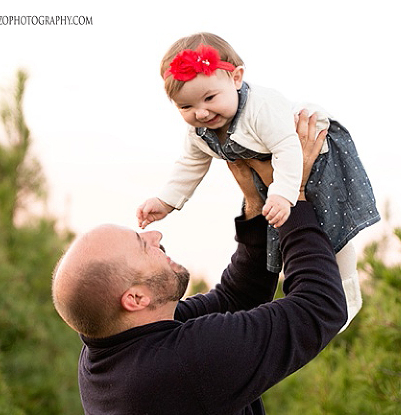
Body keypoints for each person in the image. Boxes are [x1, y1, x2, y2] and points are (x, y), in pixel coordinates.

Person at [51, 115, 348, 415]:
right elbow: (321, 307)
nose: (156, 237)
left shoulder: (115, 345)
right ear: (136, 298)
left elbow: (238, 297)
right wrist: (293, 195)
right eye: (142, 246)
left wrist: (257, 204)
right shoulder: (182, 366)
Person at [136, 32, 380, 328]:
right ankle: (310, 297)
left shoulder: (261, 108)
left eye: (210, 98)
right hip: (276, 174)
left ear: (236, 78)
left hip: (313, 155)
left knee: (331, 230)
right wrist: (166, 201)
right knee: (285, 238)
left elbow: (289, 148)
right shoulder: (200, 131)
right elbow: (190, 164)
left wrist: (284, 193)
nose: (201, 112)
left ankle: (345, 294)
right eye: (185, 107)